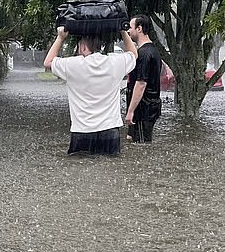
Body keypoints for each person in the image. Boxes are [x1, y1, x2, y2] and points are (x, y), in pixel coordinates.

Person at [44, 26, 137, 155]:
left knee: (79, 169)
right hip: (110, 130)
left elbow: (48, 62)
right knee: (110, 170)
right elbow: (134, 55)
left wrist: (60, 38)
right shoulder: (115, 62)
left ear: (82, 47)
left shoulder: (72, 65)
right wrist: (123, 32)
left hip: (82, 130)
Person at [125, 14, 163, 143]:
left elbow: (141, 84)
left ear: (139, 29)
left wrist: (130, 111)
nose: (128, 31)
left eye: (130, 27)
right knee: (137, 142)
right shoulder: (153, 51)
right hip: (147, 108)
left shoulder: (144, 54)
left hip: (143, 109)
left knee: (142, 145)